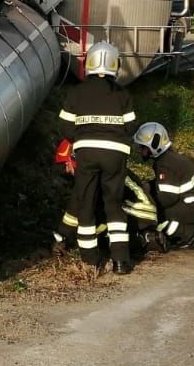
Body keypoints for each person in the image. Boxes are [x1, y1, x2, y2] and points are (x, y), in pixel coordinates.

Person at [58, 40, 138, 273]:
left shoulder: (76, 92)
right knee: (113, 203)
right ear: (116, 65)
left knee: (86, 202)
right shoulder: (122, 94)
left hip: (87, 153)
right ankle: (121, 260)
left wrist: (81, 140)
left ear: (88, 63)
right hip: (116, 154)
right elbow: (132, 126)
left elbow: (64, 126)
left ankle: (90, 260)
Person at [133, 121, 194, 249]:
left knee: (157, 216)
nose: (141, 152)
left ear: (153, 145)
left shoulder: (165, 164)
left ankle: (193, 235)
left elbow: (167, 198)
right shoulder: (169, 158)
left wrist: (147, 202)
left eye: (143, 148)